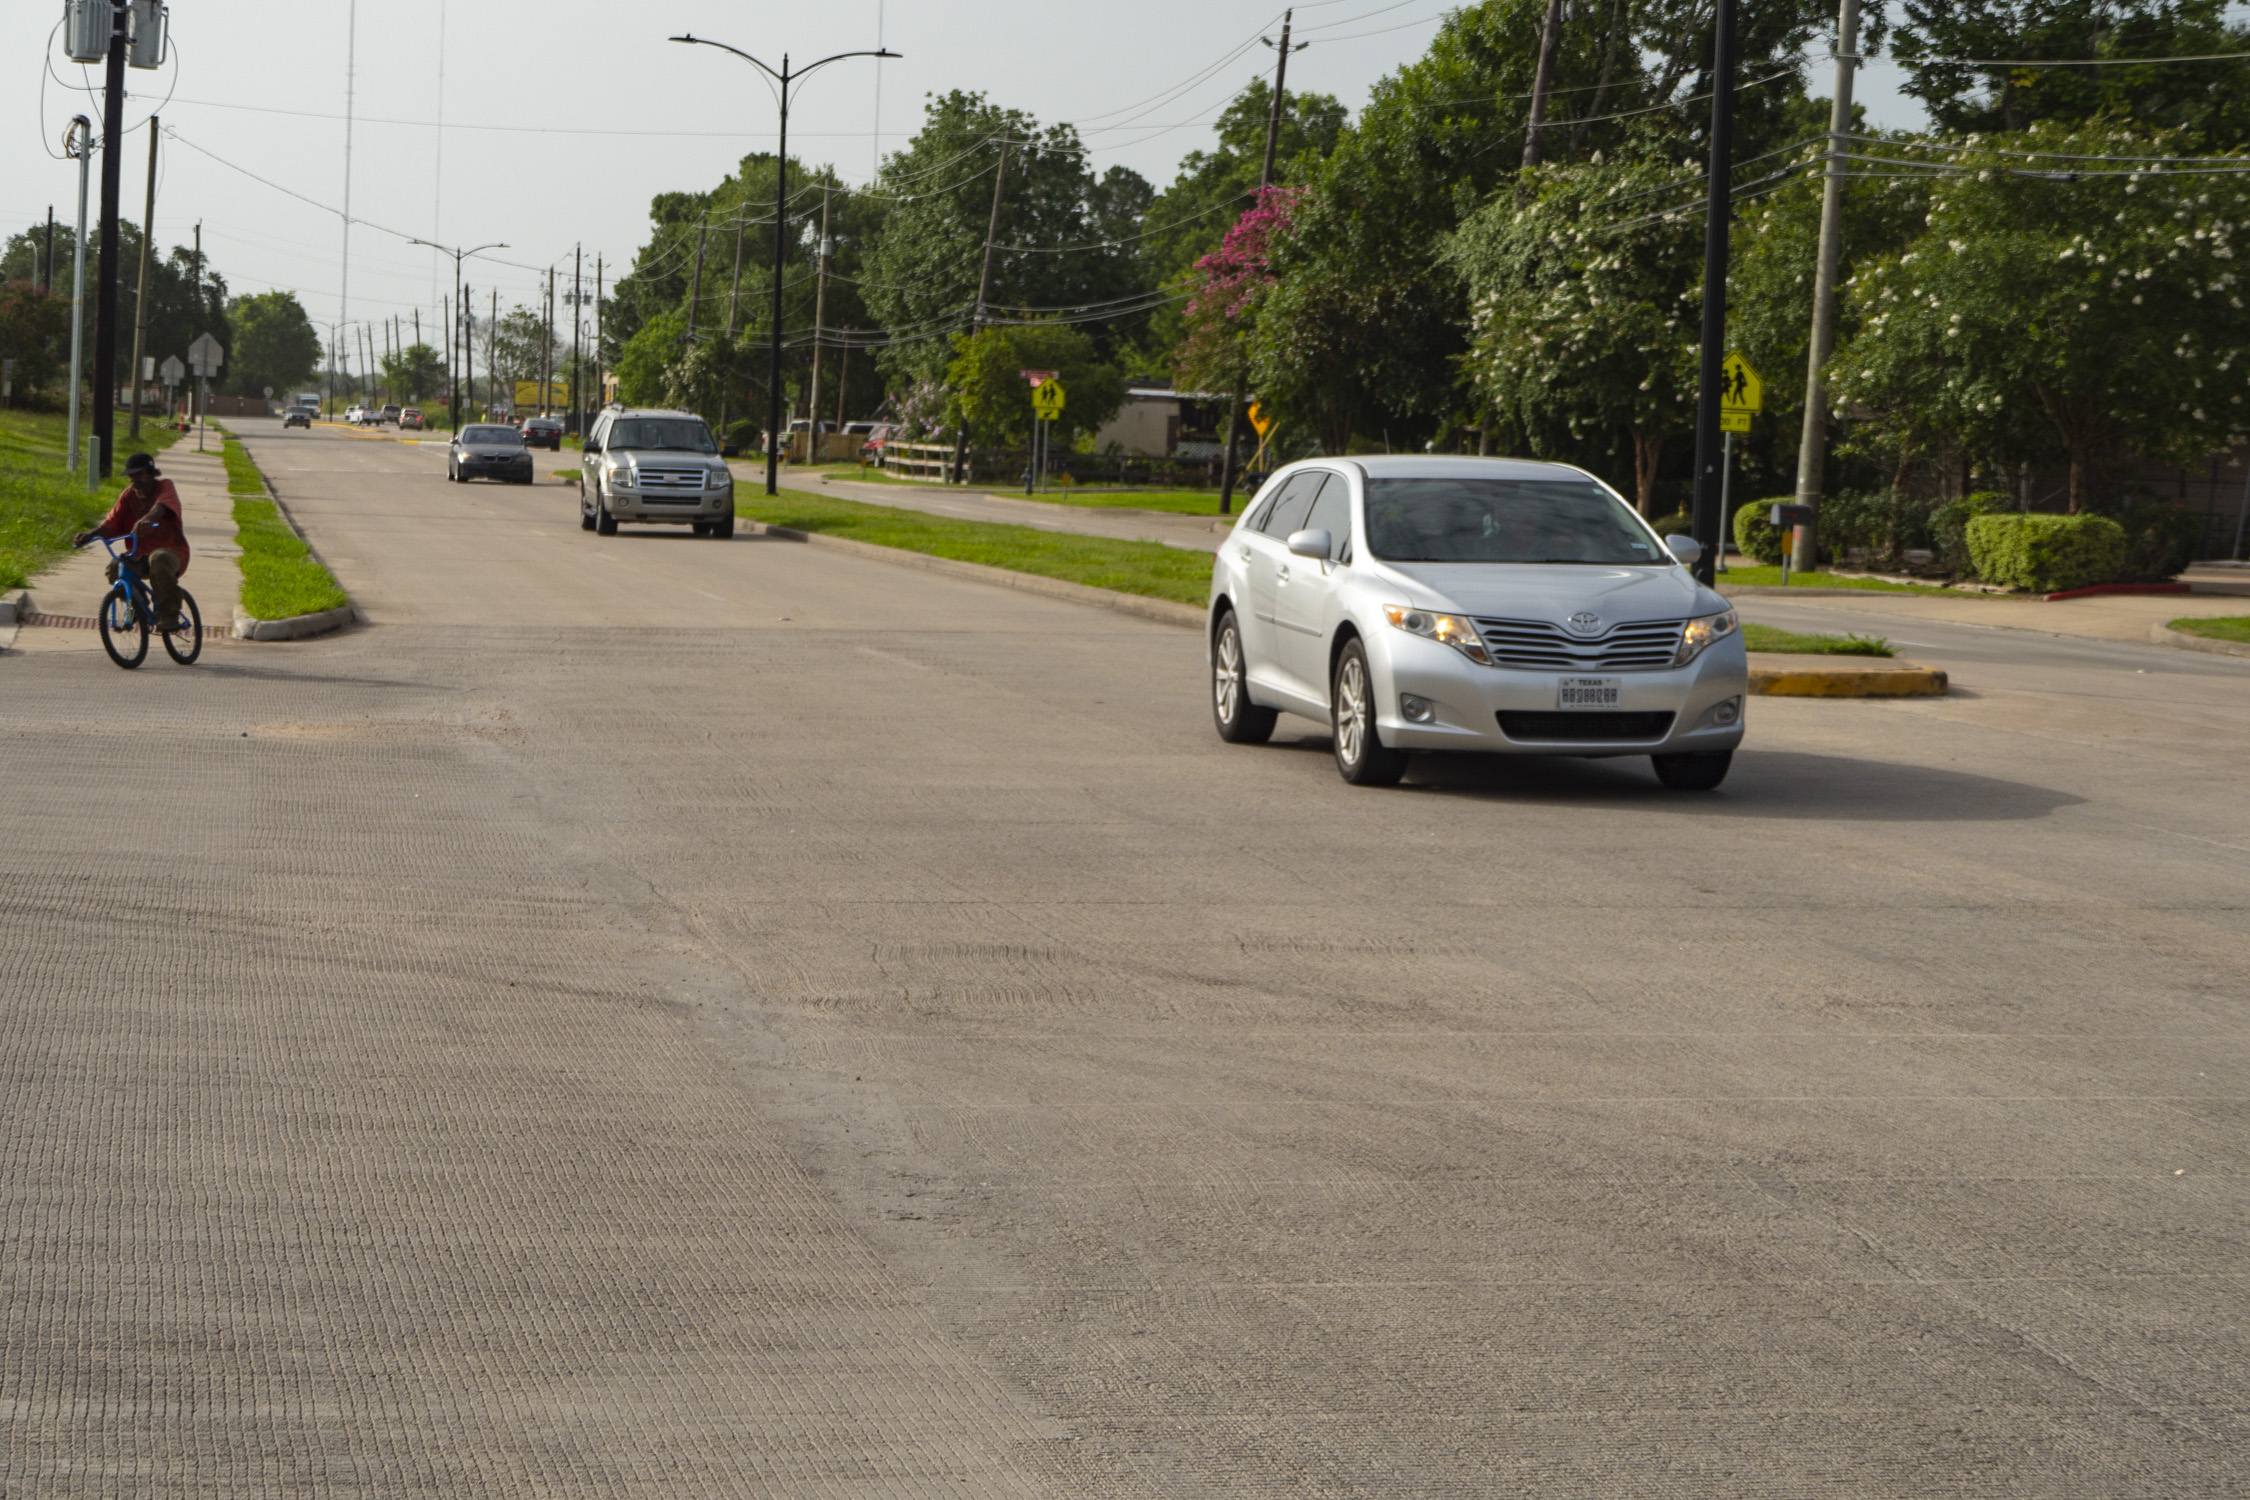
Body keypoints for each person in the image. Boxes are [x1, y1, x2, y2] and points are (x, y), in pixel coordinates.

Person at [75, 452, 190, 632]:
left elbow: (161, 507)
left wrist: (146, 519)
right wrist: (91, 535)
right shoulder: (128, 496)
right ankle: (136, 607)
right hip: (139, 554)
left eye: (139, 474)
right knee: (115, 567)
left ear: (151, 473)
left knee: (158, 559)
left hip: (172, 552)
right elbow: (111, 522)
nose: (134, 479)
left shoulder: (165, 487)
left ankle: (168, 615)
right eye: (131, 475)